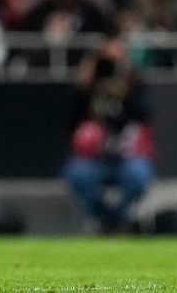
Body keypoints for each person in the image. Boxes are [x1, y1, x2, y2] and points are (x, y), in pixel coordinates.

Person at [62, 34, 153, 233]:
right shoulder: (87, 87)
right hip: (93, 157)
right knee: (78, 173)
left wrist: (124, 91)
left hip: (126, 156)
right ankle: (102, 218)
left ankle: (118, 217)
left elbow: (146, 114)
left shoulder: (134, 84)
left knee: (139, 174)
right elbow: (69, 120)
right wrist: (85, 87)